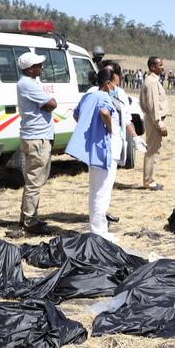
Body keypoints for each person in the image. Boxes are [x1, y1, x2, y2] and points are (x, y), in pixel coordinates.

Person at [87, 60, 147, 223]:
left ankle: (101, 215)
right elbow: (84, 115)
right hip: (100, 145)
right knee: (99, 186)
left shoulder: (120, 93)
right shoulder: (94, 93)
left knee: (105, 185)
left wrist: (135, 136)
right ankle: (98, 222)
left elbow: (126, 119)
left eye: (111, 74)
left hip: (115, 145)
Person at [66, 67, 121, 243]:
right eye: (114, 81)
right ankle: (100, 232)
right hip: (104, 149)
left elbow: (76, 115)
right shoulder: (104, 97)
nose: (116, 85)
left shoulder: (88, 96)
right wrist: (109, 128)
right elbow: (105, 113)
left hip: (92, 148)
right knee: (103, 191)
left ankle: (96, 228)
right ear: (108, 83)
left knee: (95, 190)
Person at [16, 51, 57, 234]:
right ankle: (29, 221)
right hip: (37, 138)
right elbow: (52, 103)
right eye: (38, 65)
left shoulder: (29, 83)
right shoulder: (28, 85)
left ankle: (27, 217)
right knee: (34, 182)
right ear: (30, 69)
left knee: (33, 180)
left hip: (34, 136)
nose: (42, 67)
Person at [140, 56, 169, 191]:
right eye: (160, 65)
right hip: (154, 121)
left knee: (153, 151)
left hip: (153, 120)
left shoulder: (153, 80)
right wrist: (160, 124)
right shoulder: (151, 82)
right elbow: (153, 106)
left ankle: (150, 179)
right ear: (152, 67)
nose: (162, 67)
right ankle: (149, 182)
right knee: (152, 152)